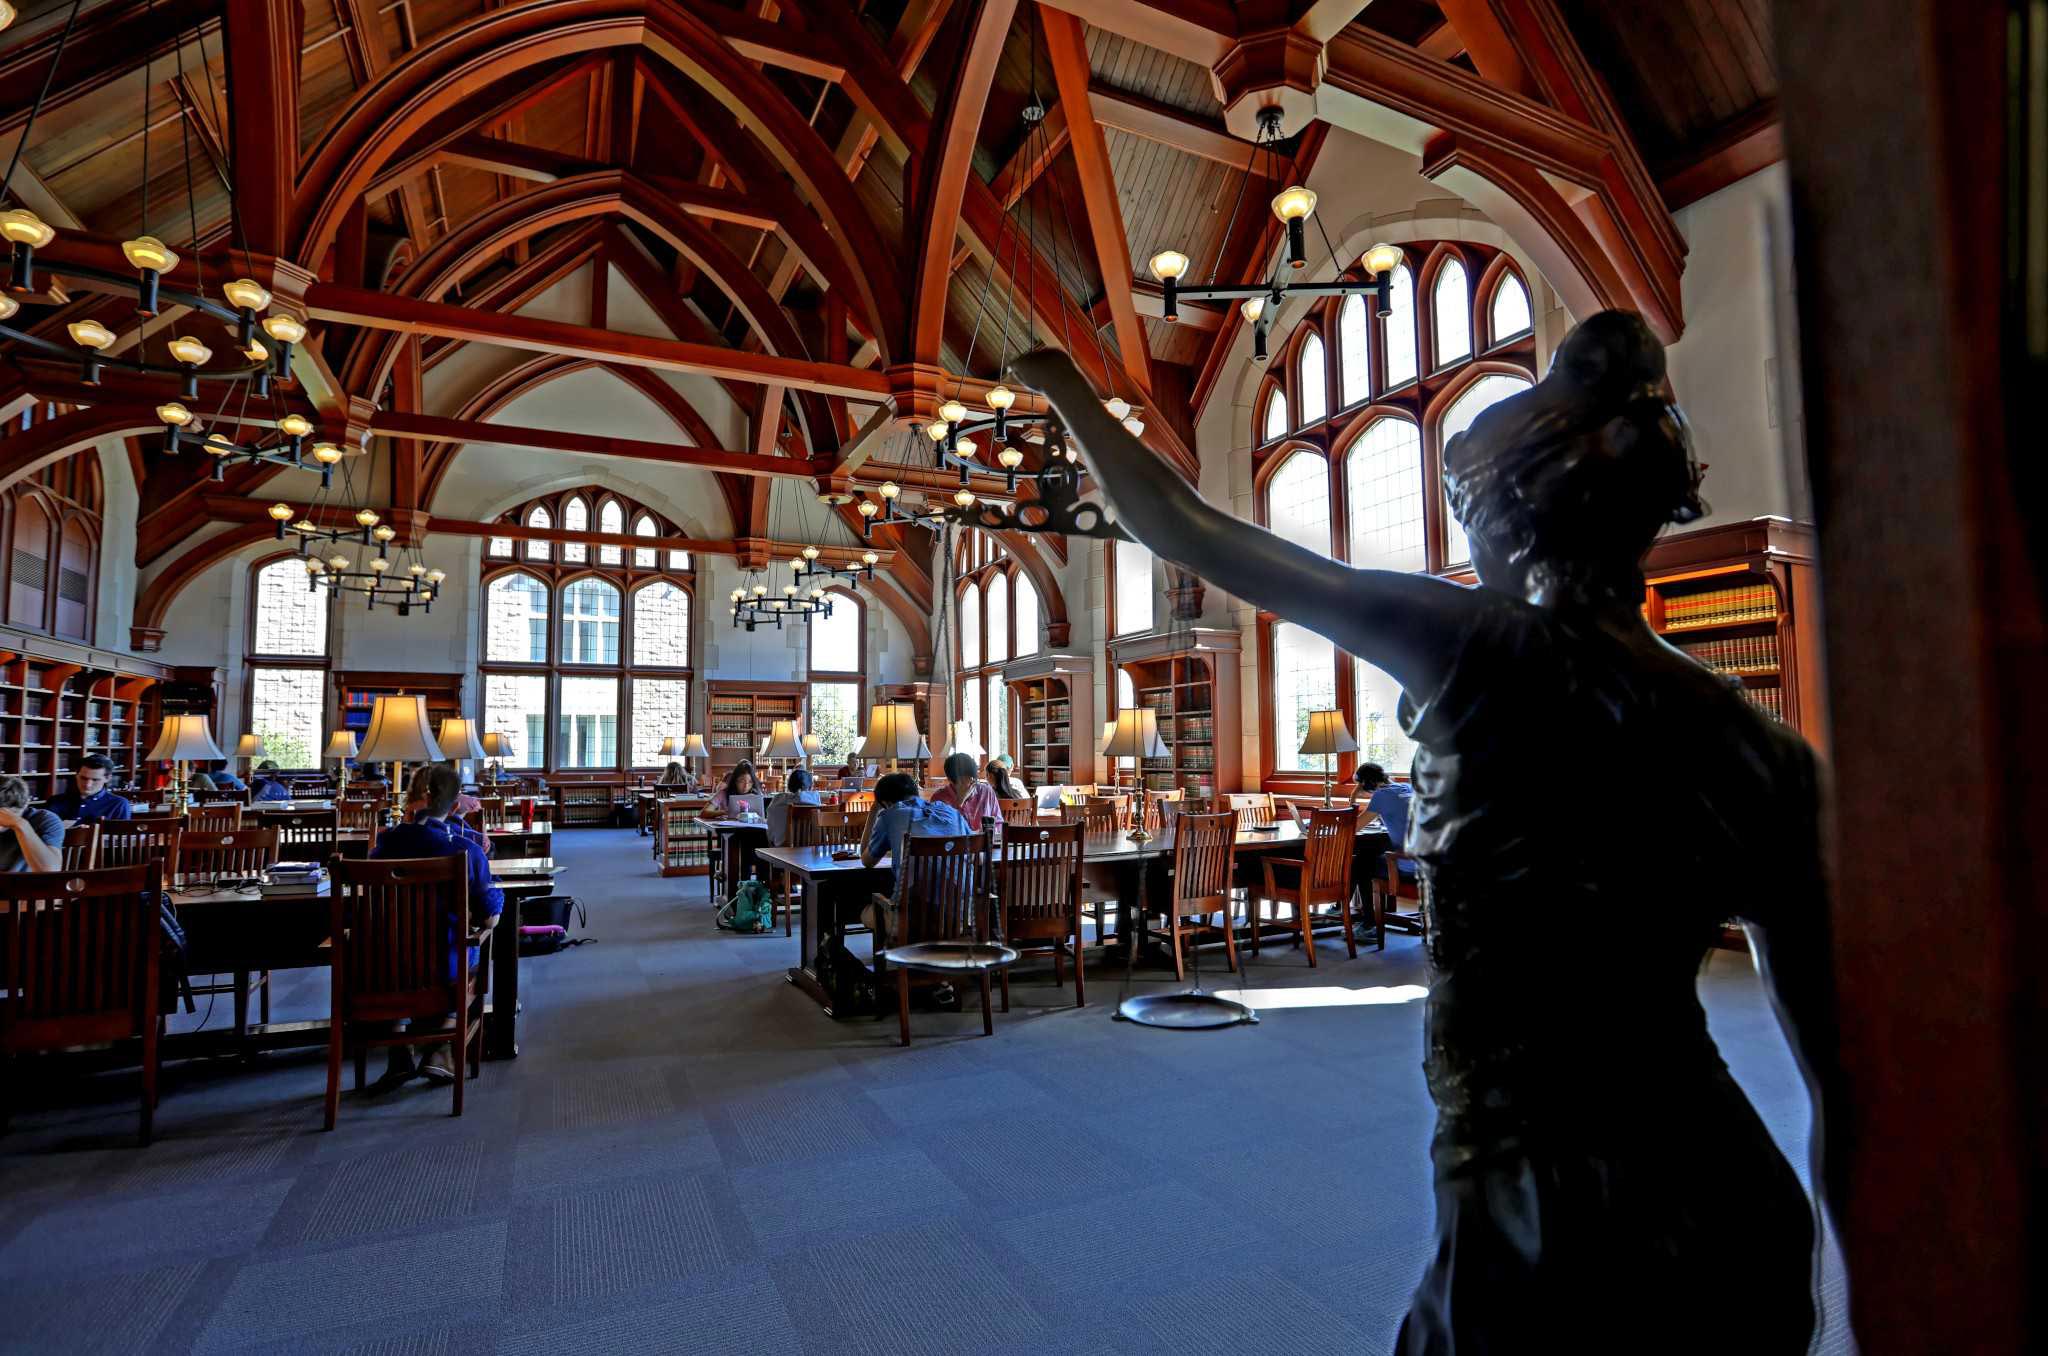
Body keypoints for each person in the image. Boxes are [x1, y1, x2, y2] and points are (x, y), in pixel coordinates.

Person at [1014, 317, 1840, 1354]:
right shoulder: (1765, 751)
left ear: (1503, 526)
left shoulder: (1474, 648)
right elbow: (1847, 1083)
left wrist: (1062, 388)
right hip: (1731, 1204)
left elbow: (1187, 529)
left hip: (1537, 1218)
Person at [368, 764, 503, 1089]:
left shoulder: (381, 849)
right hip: (444, 969)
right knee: (478, 934)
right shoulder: (464, 850)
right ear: (455, 807)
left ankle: (398, 1045)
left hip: (386, 971)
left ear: (410, 799)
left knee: (392, 945)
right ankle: (443, 1041)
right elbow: (489, 915)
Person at [859, 771, 972, 946]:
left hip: (913, 922)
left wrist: (874, 810)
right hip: (961, 917)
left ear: (885, 803)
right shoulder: (953, 813)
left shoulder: (890, 815)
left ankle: (896, 966)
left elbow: (866, 860)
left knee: (866, 912)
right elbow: (976, 857)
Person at [0, 774, 64, 872]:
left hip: (27, 885)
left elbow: (50, 871)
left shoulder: (45, 819)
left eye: (11, 814)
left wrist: (20, 824)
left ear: (26, 803)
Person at [46, 753, 133, 823]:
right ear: (76, 775)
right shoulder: (55, 801)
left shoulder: (118, 804)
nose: (88, 785)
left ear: (107, 778)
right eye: (83, 778)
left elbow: (119, 840)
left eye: (95, 780)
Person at [933, 752, 1000, 831]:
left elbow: (999, 823)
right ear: (950, 780)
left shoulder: (986, 792)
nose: (971, 781)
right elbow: (941, 831)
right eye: (964, 779)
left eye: (973, 777)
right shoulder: (939, 799)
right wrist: (959, 802)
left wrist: (991, 832)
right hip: (956, 842)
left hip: (984, 841)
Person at [765, 766, 824, 846]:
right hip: (810, 850)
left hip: (783, 850)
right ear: (810, 787)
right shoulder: (816, 802)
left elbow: (770, 835)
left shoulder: (777, 801)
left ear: (790, 785)